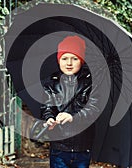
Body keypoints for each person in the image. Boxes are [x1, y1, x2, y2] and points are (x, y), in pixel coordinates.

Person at [40, 35, 100, 168]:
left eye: (74, 58)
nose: (69, 63)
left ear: (81, 61)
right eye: (64, 58)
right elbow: (47, 107)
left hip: (82, 145)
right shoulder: (51, 83)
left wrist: (73, 117)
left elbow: (93, 109)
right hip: (59, 145)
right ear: (59, 60)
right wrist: (49, 118)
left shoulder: (90, 83)